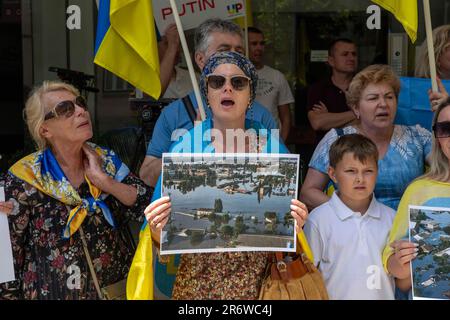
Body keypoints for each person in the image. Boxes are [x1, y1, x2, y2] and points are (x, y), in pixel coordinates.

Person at [127, 52, 311, 300]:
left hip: (262, 284)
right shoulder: (184, 148)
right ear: (208, 94)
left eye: (238, 82)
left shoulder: (272, 148)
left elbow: (284, 226)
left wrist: (295, 225)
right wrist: (157, 230)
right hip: (198, 285)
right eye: (217, 82)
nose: (227, 88)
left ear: (250, 96)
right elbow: (161, 238)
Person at [0, 81, 152, 300]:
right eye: (65, 109)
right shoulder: (22, 180)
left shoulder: (107, 162)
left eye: (80, 104)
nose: (81, 111)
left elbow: (149, 209)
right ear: (45, 129)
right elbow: (5, 264)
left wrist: (105, 182)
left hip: (114, 292)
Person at [139, 19, 278, 188]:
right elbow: (147, 176)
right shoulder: (172, 114)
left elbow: (279, 178)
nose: (233, 57)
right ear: (200, 59)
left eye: (239, 51)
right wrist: (193, 148)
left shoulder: (261, 116)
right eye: (224, 50)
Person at [300, 64, 432, 211]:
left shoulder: (418, 136)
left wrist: (445, 110)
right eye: (373, 98)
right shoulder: (337, 139)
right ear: (356, 108)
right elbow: (308, 193)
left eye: (389, 97)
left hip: (407, 229)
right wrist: (349, 213)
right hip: (353, 230)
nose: (383, 104)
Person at [304, 134, 395, 300]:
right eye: (351, 171)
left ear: (377, 172)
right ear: (332, 174)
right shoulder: (318, 220)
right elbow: (308, 277)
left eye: (368, 171)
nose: (360, 179)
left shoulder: (392, 219)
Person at [383, 98, 450, 296]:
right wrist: (403, 260)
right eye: (445, 129)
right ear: (437, 137)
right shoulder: (420, 190)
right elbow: (396, 272)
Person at [307, 38, 358, 144]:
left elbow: (369, 121)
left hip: (359, 150)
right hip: (327, 152)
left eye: (354, 54)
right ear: (331, 61)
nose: (351, 58)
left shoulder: (365, 87)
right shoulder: (318, 89)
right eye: (345, 54)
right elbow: (318, 123)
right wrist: (357, 113)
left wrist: (329, 118)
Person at [247, 27, 294, 142]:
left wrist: (280, 144)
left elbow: (286, 118)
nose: (259, 48)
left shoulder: (277, 76)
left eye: (262, 44)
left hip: (271, 140)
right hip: (243, 139)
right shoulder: (234, 77)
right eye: (254, 44)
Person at [158, 24, 194, 99]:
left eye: (179, 43)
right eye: (167, 43)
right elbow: (152, 96)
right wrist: (172, 45)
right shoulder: (145, 82)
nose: (177, 49)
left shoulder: (194, 77)